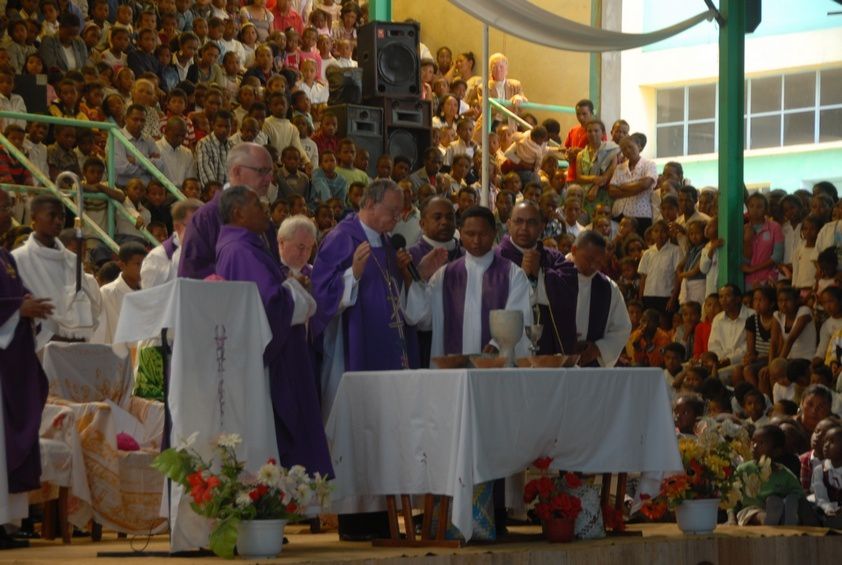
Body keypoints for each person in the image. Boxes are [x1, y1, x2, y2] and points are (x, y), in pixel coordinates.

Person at [310, 179, 417, 541]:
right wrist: (351, 275)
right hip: (349, 354)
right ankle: (354, 521)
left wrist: (411, 274)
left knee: (382, 433)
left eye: (400, 211)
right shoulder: (341, 238)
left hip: (384, 352)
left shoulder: (387, 244)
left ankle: (383, 519)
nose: (397, 217)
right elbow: (320, 296)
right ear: (368, 203)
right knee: (354, 434)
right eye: (391, 210)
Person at [215, 186, 331, 477]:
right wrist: (297, 293)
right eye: (257, 204)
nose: (264, 209)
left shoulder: (246, 245)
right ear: (238, 212)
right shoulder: (241, 250)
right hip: (274, 357)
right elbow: (270, 303)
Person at [405, 204, 531, 359]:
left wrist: (497, 345)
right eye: (470, 234)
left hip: (496, 368)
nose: (476, 240)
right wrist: (421, 277)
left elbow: (519, 318)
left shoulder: (513, 274)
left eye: (482, 234)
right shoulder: (444, 275)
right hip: (452, 371)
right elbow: (421, 319)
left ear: (494, 233)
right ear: (461, 234)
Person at [0, 242, 52, 547]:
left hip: (10, 363)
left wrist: (27, 303)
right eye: (2, 206)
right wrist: (17, 308)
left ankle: (6, 523)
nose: (5, 212)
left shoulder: (5, 256)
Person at [11, 195, 101, 349]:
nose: (58, 221)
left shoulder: (72, 260)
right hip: (33, 346)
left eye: (62, 216)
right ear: (33, 218)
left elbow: (89, 304)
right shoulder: (18, 260)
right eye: (52, 215)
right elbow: (14, 307)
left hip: (73, 345)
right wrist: (49, 337)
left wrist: (79, 331)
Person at [544, 230, 632, 367]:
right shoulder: (551, 277)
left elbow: (622, 328)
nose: (593, 266)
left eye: (599, 262)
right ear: (574, 250)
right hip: (552, 360)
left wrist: (598, 349)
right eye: (589, 259)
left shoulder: (608, 288)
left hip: (589, 364)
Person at [496, 201, 566, 354]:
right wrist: (521, 275)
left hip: (547, 347)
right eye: (518, 221)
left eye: (531, 222)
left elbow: (569, 294)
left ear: (542, 226)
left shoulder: (555, 259)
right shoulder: (495, 259)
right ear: (508, 224)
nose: (524, 228)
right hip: (508, 345)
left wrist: (541, 275)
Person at [407, 196, 464, 367]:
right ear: (422, 224)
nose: (445, 222)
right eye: (437, 217)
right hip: (426, 342)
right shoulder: (410, 256)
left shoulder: (466, 255)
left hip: (463, 337)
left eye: (450, 217)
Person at [735, 425, 804, 526]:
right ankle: (770, 518)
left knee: (788, 505)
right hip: (751, 509)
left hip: (778, 507)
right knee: (753, 514)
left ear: (776, 451)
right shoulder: (743, 469)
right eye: (753, 441)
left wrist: (787, 499)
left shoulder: (784, 473)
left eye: (761, 443)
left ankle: (782, 516)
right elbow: (732, 496)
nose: (754, 446)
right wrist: (731, 518)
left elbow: (798, 493)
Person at [92, 242, 146, 354]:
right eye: (137, 264)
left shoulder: (148, 290)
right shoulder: (107, 293)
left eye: (144, 264)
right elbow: (102, 332)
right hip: (118, 358)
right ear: (122, 265)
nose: (142, 268)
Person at [141, 199, 203, 289]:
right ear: (177, 227)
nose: (203, 230)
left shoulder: (209, 251)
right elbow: (150, 298)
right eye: (196, 225)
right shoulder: (156, 258)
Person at [608, 134, 657, 236]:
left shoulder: (649, 164)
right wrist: (636, 187)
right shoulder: (619, 168)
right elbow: (612, 190)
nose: (628, 151)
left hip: (640, 214)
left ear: (639, 146)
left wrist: (622, 187)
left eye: (630, 147)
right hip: (619, 213)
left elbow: (645, 184)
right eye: (624, 149)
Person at [708, 284, 754, 383]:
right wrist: (720, 360)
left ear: (737, 299)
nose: (723, 300)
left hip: (741, 362)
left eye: (727, 296)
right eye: (720, 297)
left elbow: (749, 347)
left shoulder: (752, 316)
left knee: (718, 376)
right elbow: (713, 345)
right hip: (720, 361)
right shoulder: (717, 319)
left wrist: (730, 360)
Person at [810, 425, 842, 527]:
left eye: (832, 442)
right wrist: (828, 509)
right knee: (812, 508)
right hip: (828, 510)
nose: (826, 445)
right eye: (825, 441)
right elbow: (821, 498)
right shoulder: (819, 470)